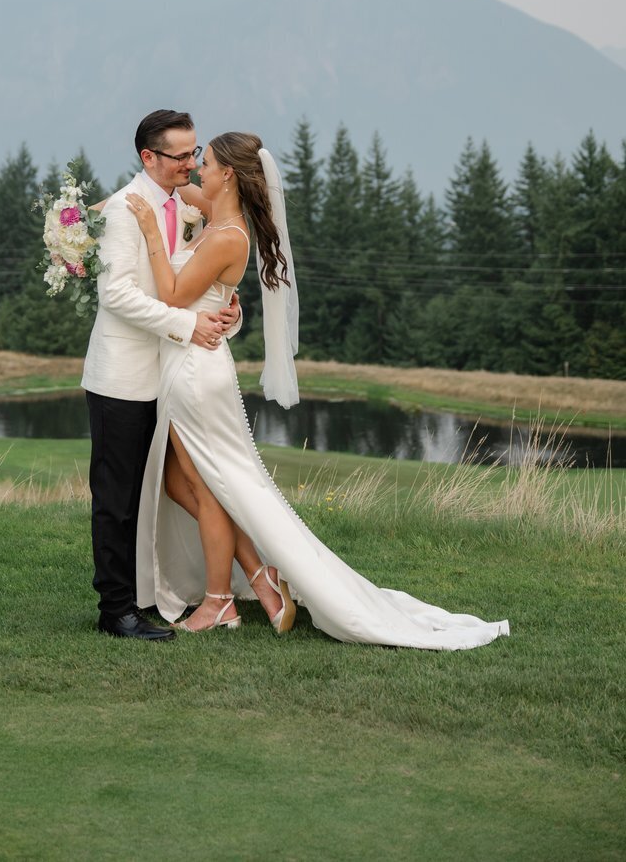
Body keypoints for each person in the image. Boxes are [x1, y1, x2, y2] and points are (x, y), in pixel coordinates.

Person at [126, 131, 510, 648]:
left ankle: (219, 602)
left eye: (207, 161)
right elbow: (174, 193)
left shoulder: (226, 235)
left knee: (210, 486)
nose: (196, 168)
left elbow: (172, 294)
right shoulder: (214, 212)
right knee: (181, 483)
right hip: (186, 362)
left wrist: (151, 232)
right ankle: (260, 574)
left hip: (196, 371)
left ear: (229, 175)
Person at [82, 110, 240, 641]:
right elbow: (117, 295)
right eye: (180, 156)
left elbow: (197, 285)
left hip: (171, 377)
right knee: (117, 497)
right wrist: (185, 323)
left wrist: (223, 315)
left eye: (196, 154)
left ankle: (150, 595)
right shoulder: (129, 211)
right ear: (147, 157)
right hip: (123, 375)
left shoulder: (182, 206)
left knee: (159, 492)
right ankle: (116, 611)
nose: (192, 165)